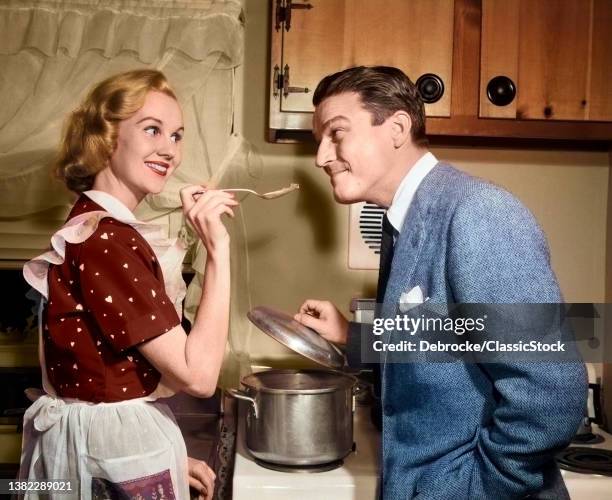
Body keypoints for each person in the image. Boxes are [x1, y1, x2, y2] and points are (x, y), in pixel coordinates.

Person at [294, 66, 587, 499]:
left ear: (396, 128)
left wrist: (473, 486)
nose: (321, 157)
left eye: (336, 133)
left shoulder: (479, 214)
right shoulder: (405, 224)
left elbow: (552, 393)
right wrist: (353, 336)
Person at [21, 69, 237, 500]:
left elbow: (91, 380)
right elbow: (199, 378)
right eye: (152, 129)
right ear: (105, 140)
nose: (169, 150)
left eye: (177, 136)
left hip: (92, 451)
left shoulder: (89, 226)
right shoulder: (108, 240)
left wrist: (165, 457)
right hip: (106, 452)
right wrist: (218, 250)